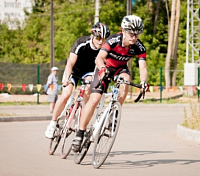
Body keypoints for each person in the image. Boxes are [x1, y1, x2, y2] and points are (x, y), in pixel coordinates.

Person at [72, 15, 149, 152]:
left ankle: (115, 112)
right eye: (131, 34)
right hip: (105, 67)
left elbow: (143, 67)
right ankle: (80, 133)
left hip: (120, 69)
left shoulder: (138, 46)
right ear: (123, 30)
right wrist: (102, 69)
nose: (134, 37)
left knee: (126, 80)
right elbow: (99, 58)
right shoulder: (113, 40)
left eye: (137, 34)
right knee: (94, 99)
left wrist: (144, 82)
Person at [45, 22, 110, 139]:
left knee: (89, 89)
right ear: (92, 36)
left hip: (88, 73)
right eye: (98, 38)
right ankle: (53, 123)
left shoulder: (104, 50)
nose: (101, 41)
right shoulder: (81, 43)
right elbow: (70, 63)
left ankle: (81, 116)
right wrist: (67, 79)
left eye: (103, 39)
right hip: (74, 70)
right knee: (66, 94)